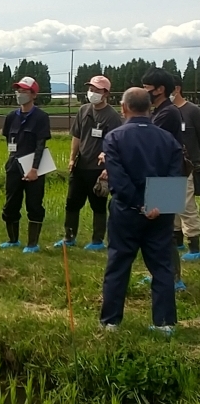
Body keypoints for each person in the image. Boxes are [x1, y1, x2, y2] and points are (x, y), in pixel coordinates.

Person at [99, 87, 182, 334]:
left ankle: (111, 321)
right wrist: (157, 205)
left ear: (124, 108)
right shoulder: (168, 139)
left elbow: (119, 178)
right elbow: (174, 175)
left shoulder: (114, 138)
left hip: (126, 211)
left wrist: (139, 204)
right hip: (160, 212)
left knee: (119, 264)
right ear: (149, 108)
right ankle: (165, 323)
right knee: (162, 266)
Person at [54, 76, 122, 251]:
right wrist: (71, 158)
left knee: (98, 205)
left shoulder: (112, 116)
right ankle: (69, 237)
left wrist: (108, 168)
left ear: (106, 93)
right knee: (72, 202)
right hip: (80, 166)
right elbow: (77, 136)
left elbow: (115, 144)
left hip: (99, 169)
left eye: (97, 90)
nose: (92, 93)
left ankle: (98, 240)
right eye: (91, 89)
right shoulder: (83, 110)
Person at [142, 67, 186, 291]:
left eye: (147, 87)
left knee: (164, 233)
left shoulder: (167, 113)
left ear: (160, 89)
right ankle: (163, 274)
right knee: (157, 232)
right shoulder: (157, 110)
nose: (144, 91)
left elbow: (147, 137)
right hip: (161, 176)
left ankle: (174, 278)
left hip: (167, 179)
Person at [0, 77, 51, 253]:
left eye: (24, 91)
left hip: (34, 167)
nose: (20, 94)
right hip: (14, 164)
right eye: (18, 91)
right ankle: (13, 239)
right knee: (11, 203)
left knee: (34, 204)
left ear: (34, 94)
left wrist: (34, 168)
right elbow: (9, 139)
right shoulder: (11, 117)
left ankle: (32, 243)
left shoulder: (41, 117)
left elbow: (40, 144)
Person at [170, 75, 200, 261]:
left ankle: (194, 245)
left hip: (186, 166)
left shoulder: (192, 111)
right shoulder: (165, 111)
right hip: (167, 166)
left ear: (177, 88)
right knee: (170, 206)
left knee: (186, 205)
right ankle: (176, 240)